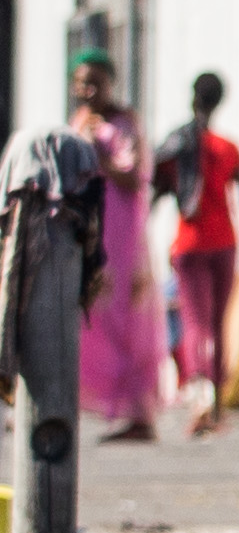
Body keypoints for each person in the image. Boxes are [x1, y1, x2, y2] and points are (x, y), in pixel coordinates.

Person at [152, 74, 239, 431]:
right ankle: (215, 404)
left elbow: (157, 190)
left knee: (195, 321)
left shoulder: (178, 144)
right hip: (225, 242)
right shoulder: (228, 147)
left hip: (189, 243)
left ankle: (200, 395)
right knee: (217, 322)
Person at [64, 55, 156, 441]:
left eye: (96, 83)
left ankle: (139, 413)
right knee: (93, 319)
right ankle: (105, 404)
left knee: (125, 318)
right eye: (82, 83)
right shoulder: (79, 121)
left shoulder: (124, 123)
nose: (88, 91)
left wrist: (99, 154)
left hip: (119, 235)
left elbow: (134, 178)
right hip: (88, 230)